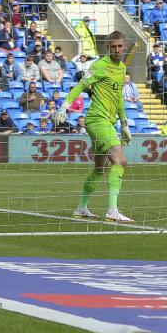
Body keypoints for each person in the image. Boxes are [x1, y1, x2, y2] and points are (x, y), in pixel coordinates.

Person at [55, 31, 134, 223]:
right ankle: (112, 211)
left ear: (124, 46)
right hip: (98, 119)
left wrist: (124, 124)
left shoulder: (122, 67)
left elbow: (118, 98)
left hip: (107, 121)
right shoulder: (99, 65)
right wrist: (64, 106)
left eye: (120, 46)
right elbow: (81, 86)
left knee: (100, 168)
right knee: (120, 161)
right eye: (113, 46)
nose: (117, 49)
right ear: (108, 46)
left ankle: (81, 209)